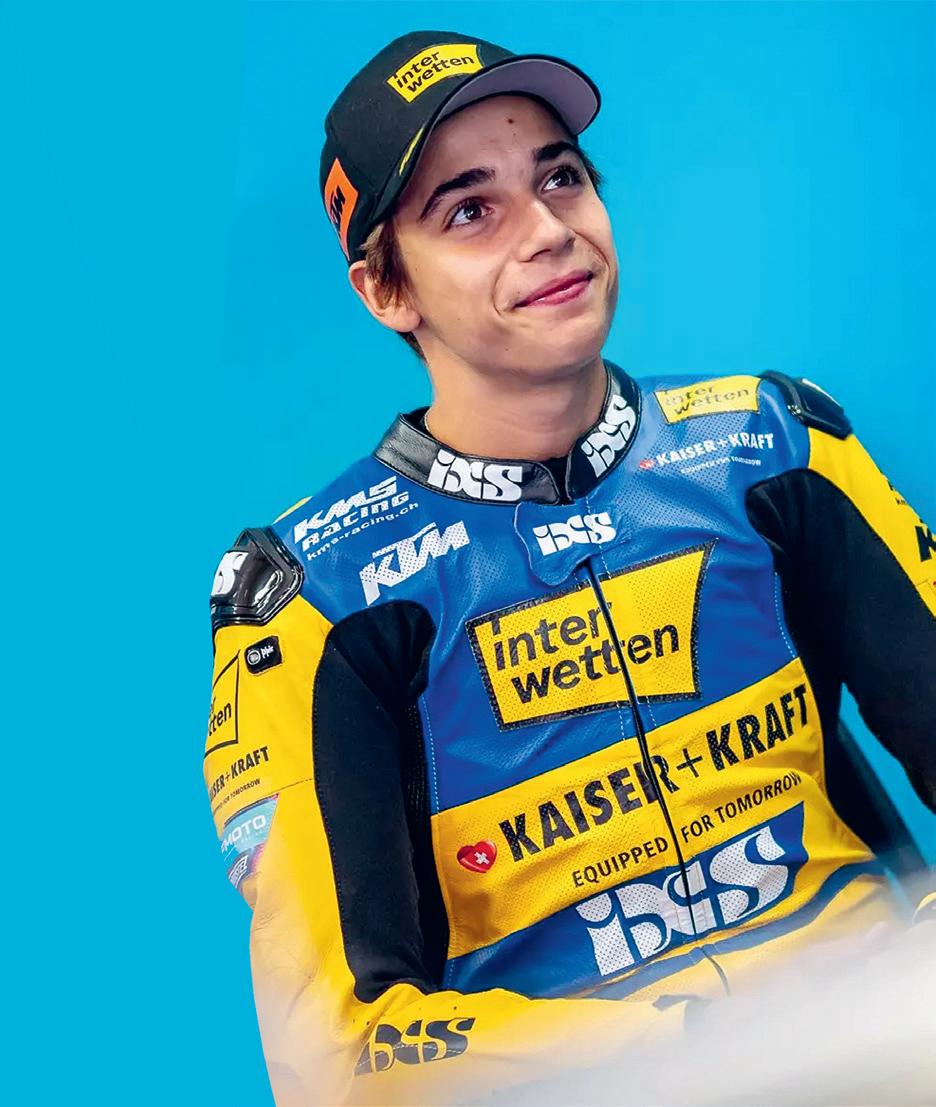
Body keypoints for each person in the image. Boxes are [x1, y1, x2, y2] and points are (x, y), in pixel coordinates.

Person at [205, 29, 936, 1107]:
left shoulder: (773, 447)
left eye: (561, 179)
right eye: (470, 211)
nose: (548, 231)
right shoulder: (318, 595)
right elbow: (339, 1055)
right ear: (386, 289)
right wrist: (697, 1054)